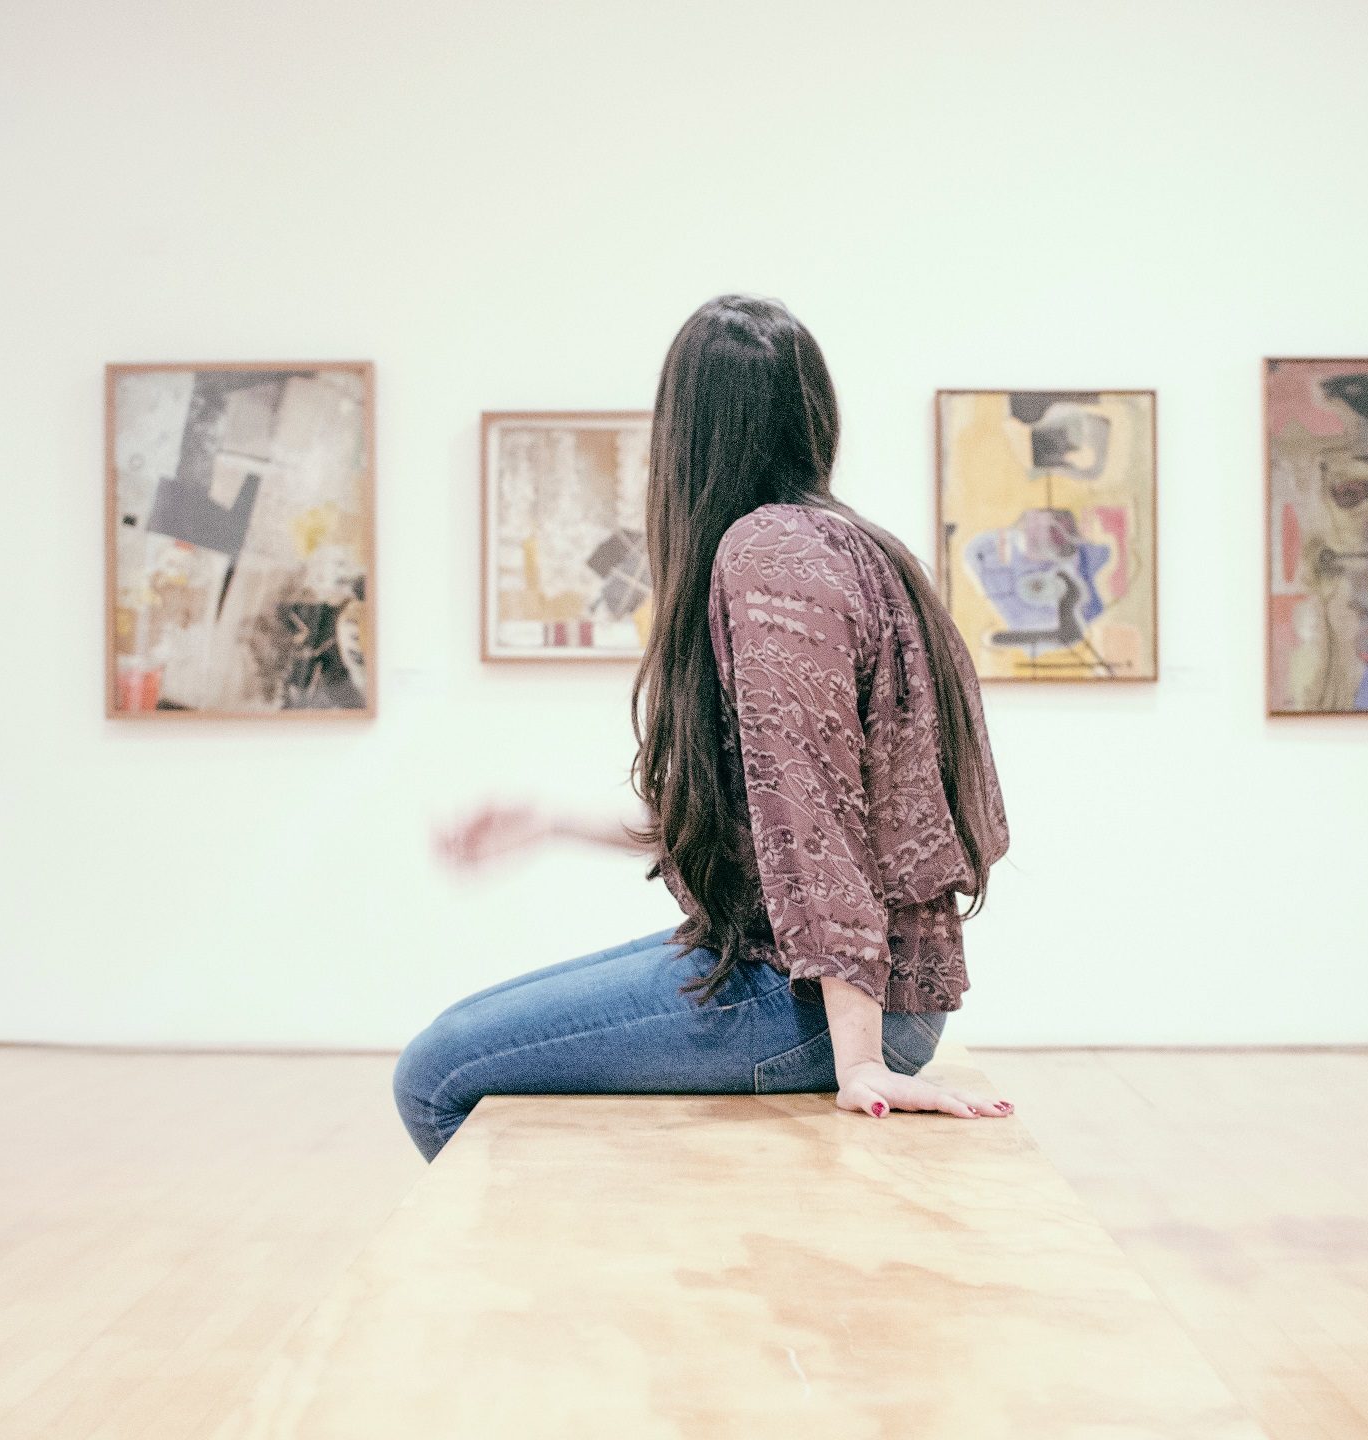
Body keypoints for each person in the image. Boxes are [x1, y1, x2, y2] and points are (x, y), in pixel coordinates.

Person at [393, 295, 1014, 1162]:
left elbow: (812, 810)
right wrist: (551, 822)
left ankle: (589, 1252)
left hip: (820, 1004)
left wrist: (863, 1061)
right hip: (829, 985)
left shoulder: (768, 554)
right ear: (813, 413)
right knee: (457, 1040)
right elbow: (763, 821)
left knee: (437, 1074)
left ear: (685, 431)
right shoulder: (856, 546)